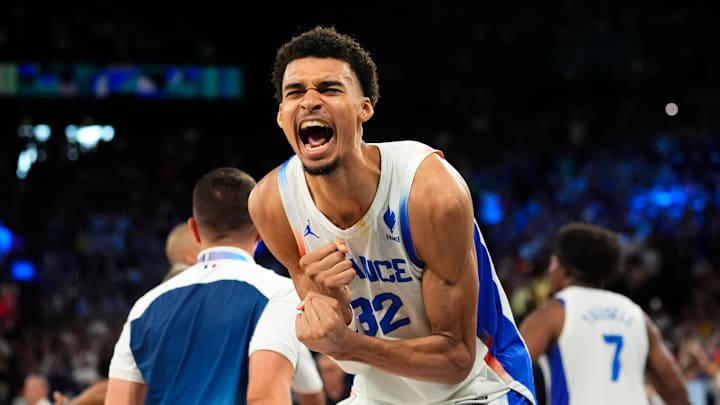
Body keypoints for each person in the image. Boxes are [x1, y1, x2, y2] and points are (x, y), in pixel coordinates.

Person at [247, 25, 536, 404]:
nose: (310, 101)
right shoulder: (272, 204)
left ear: (364, 107)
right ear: (282, 114)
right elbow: (335, 344)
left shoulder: (430, 193)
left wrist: (349, 343)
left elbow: (457, 358)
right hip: (377, 393)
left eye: (330, 89)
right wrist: (336, 313)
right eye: (295, 92)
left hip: (480, 387)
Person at [104, 167, 304, 404]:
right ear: (259, 231)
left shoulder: (144, 307)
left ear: (194, 230)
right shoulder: (280, 293)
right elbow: (265, 397)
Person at [518, 222, 690, 405]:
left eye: (553, 262)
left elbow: (506, 372)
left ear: (564, 271)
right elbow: (676, 393)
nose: (549, 270)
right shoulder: (635, 314)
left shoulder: (555, 312)